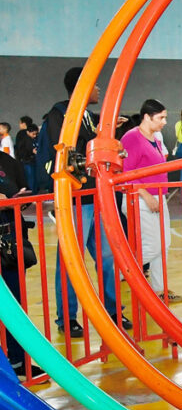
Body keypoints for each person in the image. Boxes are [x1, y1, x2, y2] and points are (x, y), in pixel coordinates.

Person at [48, 67, 132, 336]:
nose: (99, 90)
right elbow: (63, 151)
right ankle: (67, 318)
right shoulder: (60, 114)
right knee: (72, 260)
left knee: (107, 257)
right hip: (75, 199)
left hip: (96, 198)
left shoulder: (87, 116)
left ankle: (113, 311)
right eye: (95, 85)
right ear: (81, 86)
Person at [120, 100, 182, 304]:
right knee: (153, 246)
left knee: (164, 244)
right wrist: (146, 196)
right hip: (139, 198)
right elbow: (127, 172)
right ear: (147, 117)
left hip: (158, 196)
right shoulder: (131, 138)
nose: (165, 122)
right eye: (161, 118)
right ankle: (120, 272)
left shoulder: (155, 138)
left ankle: (159, 289)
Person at [0, 149, 44, 379]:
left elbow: (23, 192)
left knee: (15, 303)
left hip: (9, 241)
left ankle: (18, 360)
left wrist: (16, 201)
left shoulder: (9, 162)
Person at [14, 122, 37, 193]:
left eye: (36, 134)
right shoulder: (26, 140)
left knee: (32, 178)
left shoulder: (29, 139)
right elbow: (27, 151)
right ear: (28, 132)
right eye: (33, 134)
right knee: (31, 178)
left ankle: (33, 192)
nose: (35, 136)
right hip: (27, 161)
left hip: (29, 161)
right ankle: (32, 193)